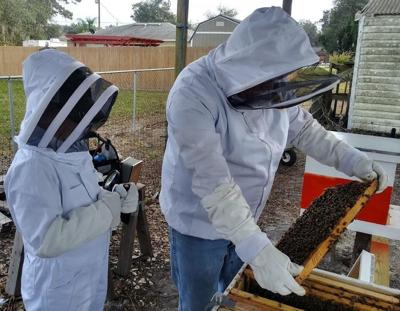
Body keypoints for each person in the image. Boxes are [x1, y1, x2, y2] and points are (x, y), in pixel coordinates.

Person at [160, 7, 388, 311]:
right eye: (273, 80)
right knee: (199, 303)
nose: (279, 87)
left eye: (283, 78)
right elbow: (213, 182)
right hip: (197, 223)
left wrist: (354, 160)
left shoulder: (270, 85)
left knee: (233, 297)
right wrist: (258, 249)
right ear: (249, 67)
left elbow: (306, 130)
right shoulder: (192, 93)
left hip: (247, 217)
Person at [5, 49, 138, 311]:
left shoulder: (72, 152)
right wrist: (104, 212)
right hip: (56, 292)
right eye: (76, 113)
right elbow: (45, 240)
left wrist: (115, 195)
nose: (84, 123)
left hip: (87, 274)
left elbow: (86, 194)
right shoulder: (31, 168)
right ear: (48, 111)